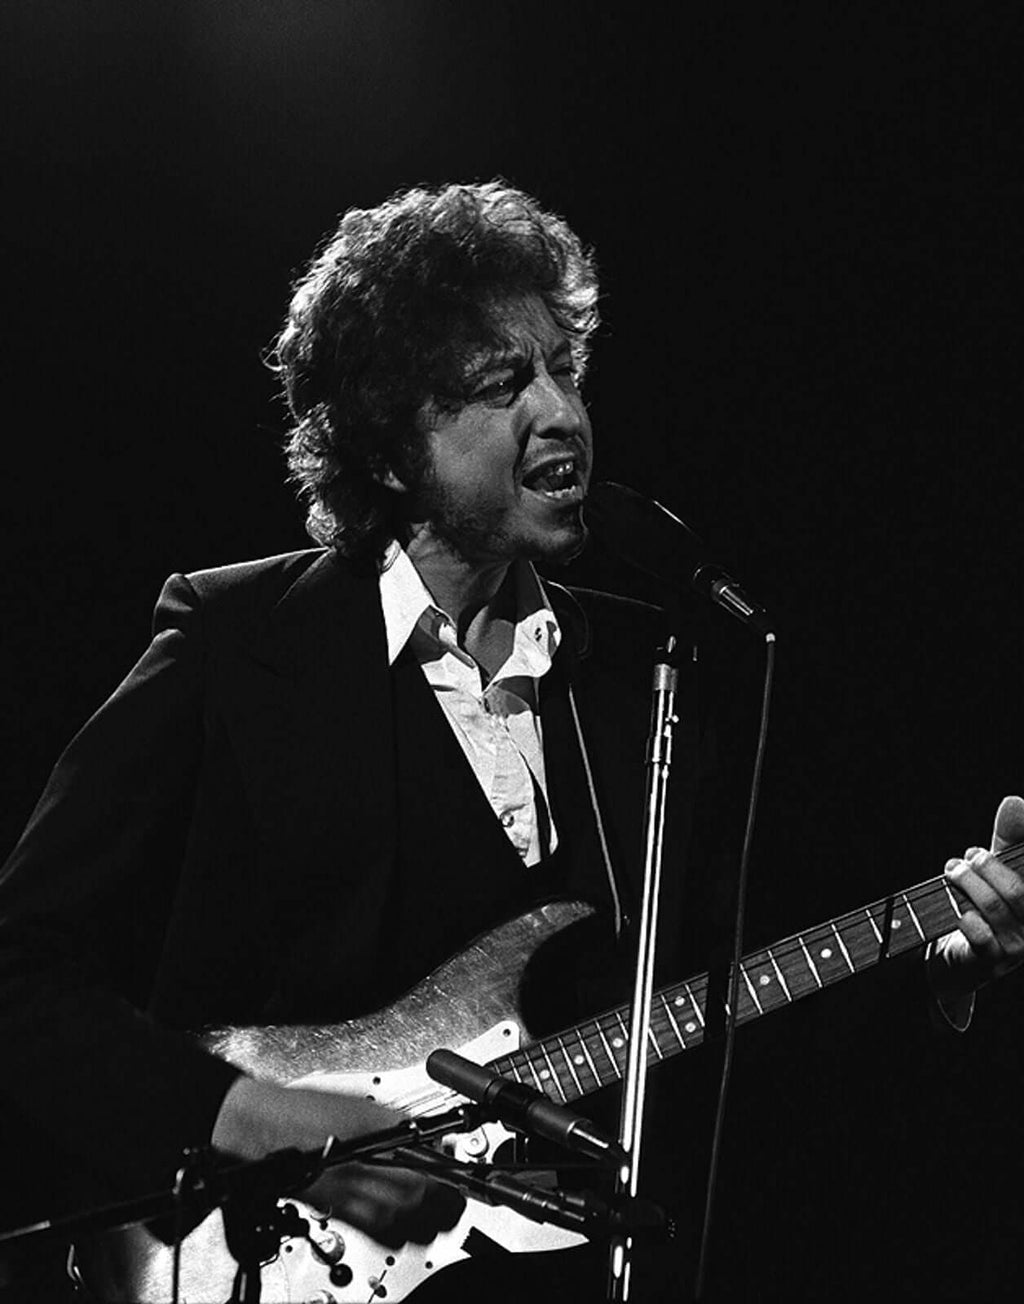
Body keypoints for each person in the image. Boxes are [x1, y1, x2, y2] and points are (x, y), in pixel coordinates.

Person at [0, 180, 1022, 1303]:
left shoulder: (640, 677)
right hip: (246, 1258)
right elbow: (21, 974)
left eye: (564, 368)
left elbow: (714, 1022)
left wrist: (936, 967)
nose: (560, 412)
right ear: (392, 447)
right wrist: (247, 1116)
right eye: (503, 384)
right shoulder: (237, 644)